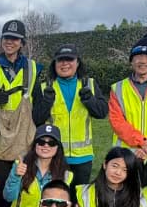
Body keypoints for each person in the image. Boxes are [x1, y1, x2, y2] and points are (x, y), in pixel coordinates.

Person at [0, 19, 41, 207]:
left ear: (22, 42)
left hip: (24, 139)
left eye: (15, 39)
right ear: (1, 40)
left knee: (20, 183)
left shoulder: (33, 69)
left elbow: (39, 104)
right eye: (7, 38)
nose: (10, 42)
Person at [33, 44, 108, 184]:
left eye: (69, 59)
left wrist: (89, 100)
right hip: (54, 156)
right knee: (56, 200)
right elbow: (36, 119)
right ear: (54, 64)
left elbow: (102, 113)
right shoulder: (44, 87)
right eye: (60, 60)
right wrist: (46, 102)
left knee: (77, 201)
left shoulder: (89, 85)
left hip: (83, 157)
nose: (65, 63)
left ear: (78, 63)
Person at [2, 123, 72, 207]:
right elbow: (8, 197)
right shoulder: (21, 166)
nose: (46, 146)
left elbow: (64, 205)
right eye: (41, 142)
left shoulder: (65, 174)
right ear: (34, 145)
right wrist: (16, 176)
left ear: (58, 148)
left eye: (51, 143)